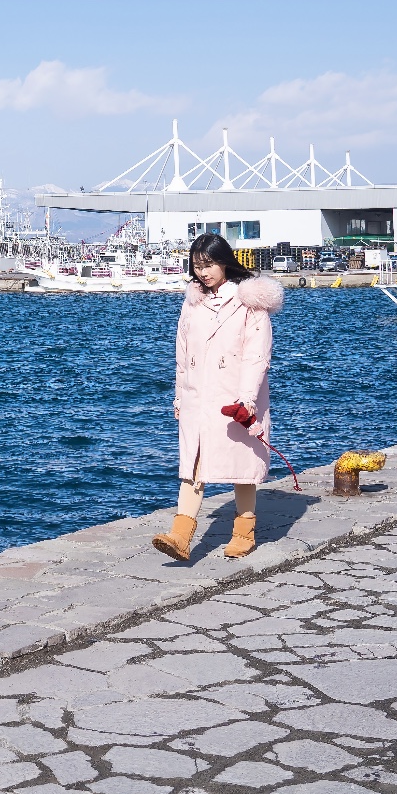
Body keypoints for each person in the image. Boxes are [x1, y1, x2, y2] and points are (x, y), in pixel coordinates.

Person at [150, 232, 285, 563]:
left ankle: (244, 532)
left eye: (209, 264)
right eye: (197, 266)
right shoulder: (193, 302)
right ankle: (180, 537)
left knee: (241, 466)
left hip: (234, 398)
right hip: (198, 397)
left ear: (225, 261)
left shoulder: (249, 302)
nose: (203, 273)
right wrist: (180, 397)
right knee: (193, 465)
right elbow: (182, 353)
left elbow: (257, 355)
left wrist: (247, 400)